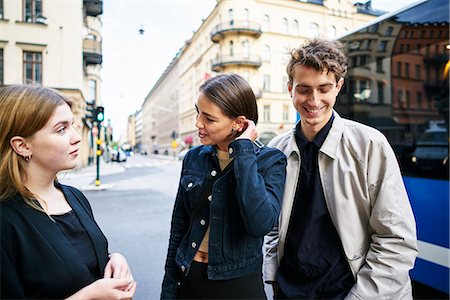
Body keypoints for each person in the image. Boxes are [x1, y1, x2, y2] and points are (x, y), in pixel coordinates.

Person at [263, 38, 418, 299]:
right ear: (290, 88)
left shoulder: (369, 144)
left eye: (324, 88)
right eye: (304, 89)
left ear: (339, 87)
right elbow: (271, 228)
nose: (314, 100)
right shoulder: (276, 150)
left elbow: (396, 240)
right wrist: (271, 276)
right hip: (289, 292)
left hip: (352, 293)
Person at [0, 85, 137, 299]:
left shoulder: (75, 196)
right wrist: (88, 296)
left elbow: (78, 259)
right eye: (61, 129)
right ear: (23, 146)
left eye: (72, 126)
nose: (76, 137)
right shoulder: (6, 218)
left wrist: (112, 259)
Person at [161, 73, 287, 299]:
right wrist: (169, 290)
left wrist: (244, 150)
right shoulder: (193, 158)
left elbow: (260, 224)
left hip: (237, 286)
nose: (198, 123)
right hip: (188, 278)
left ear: (238, 123)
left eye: (209, 118)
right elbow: (179, 228)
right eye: (198, 112)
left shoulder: (270, 161)